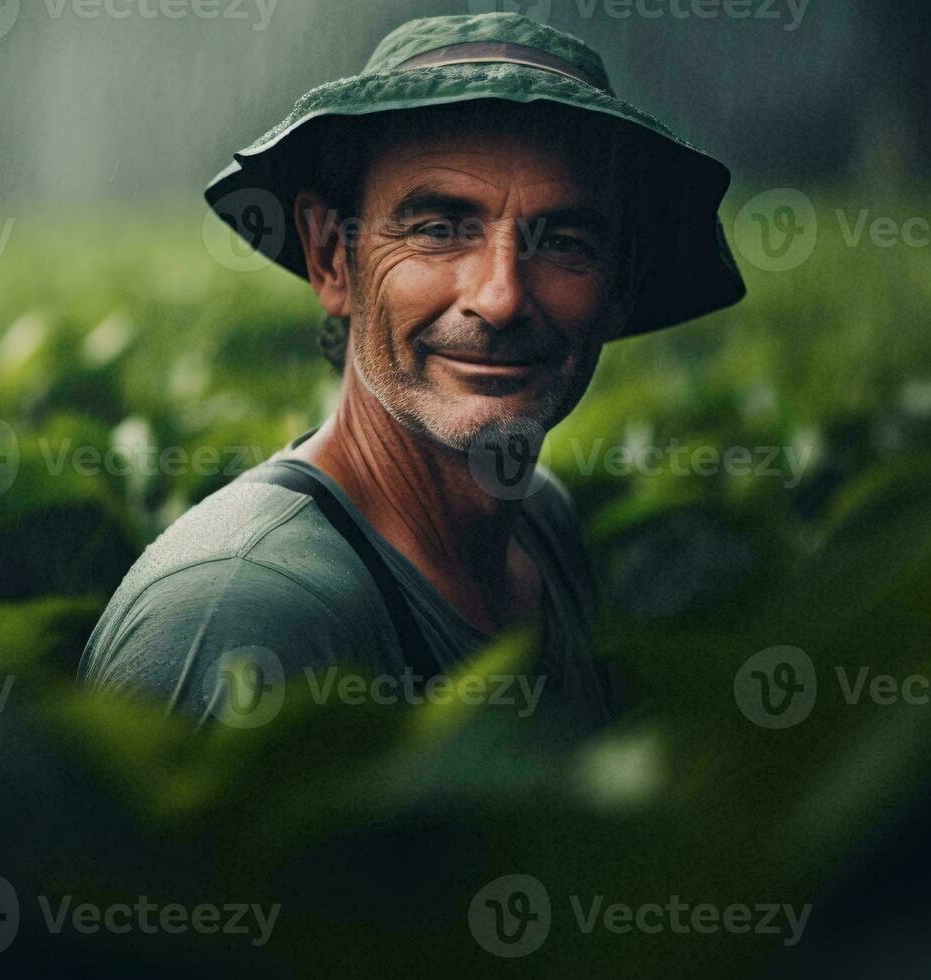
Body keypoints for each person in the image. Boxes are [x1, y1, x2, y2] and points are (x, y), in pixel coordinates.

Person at [79, 12, 746, 734]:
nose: (500, 297)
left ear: (619, 287)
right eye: (436, 230)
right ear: (332, 257)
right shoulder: (238, 614)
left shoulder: (539, 522)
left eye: (563, 240)